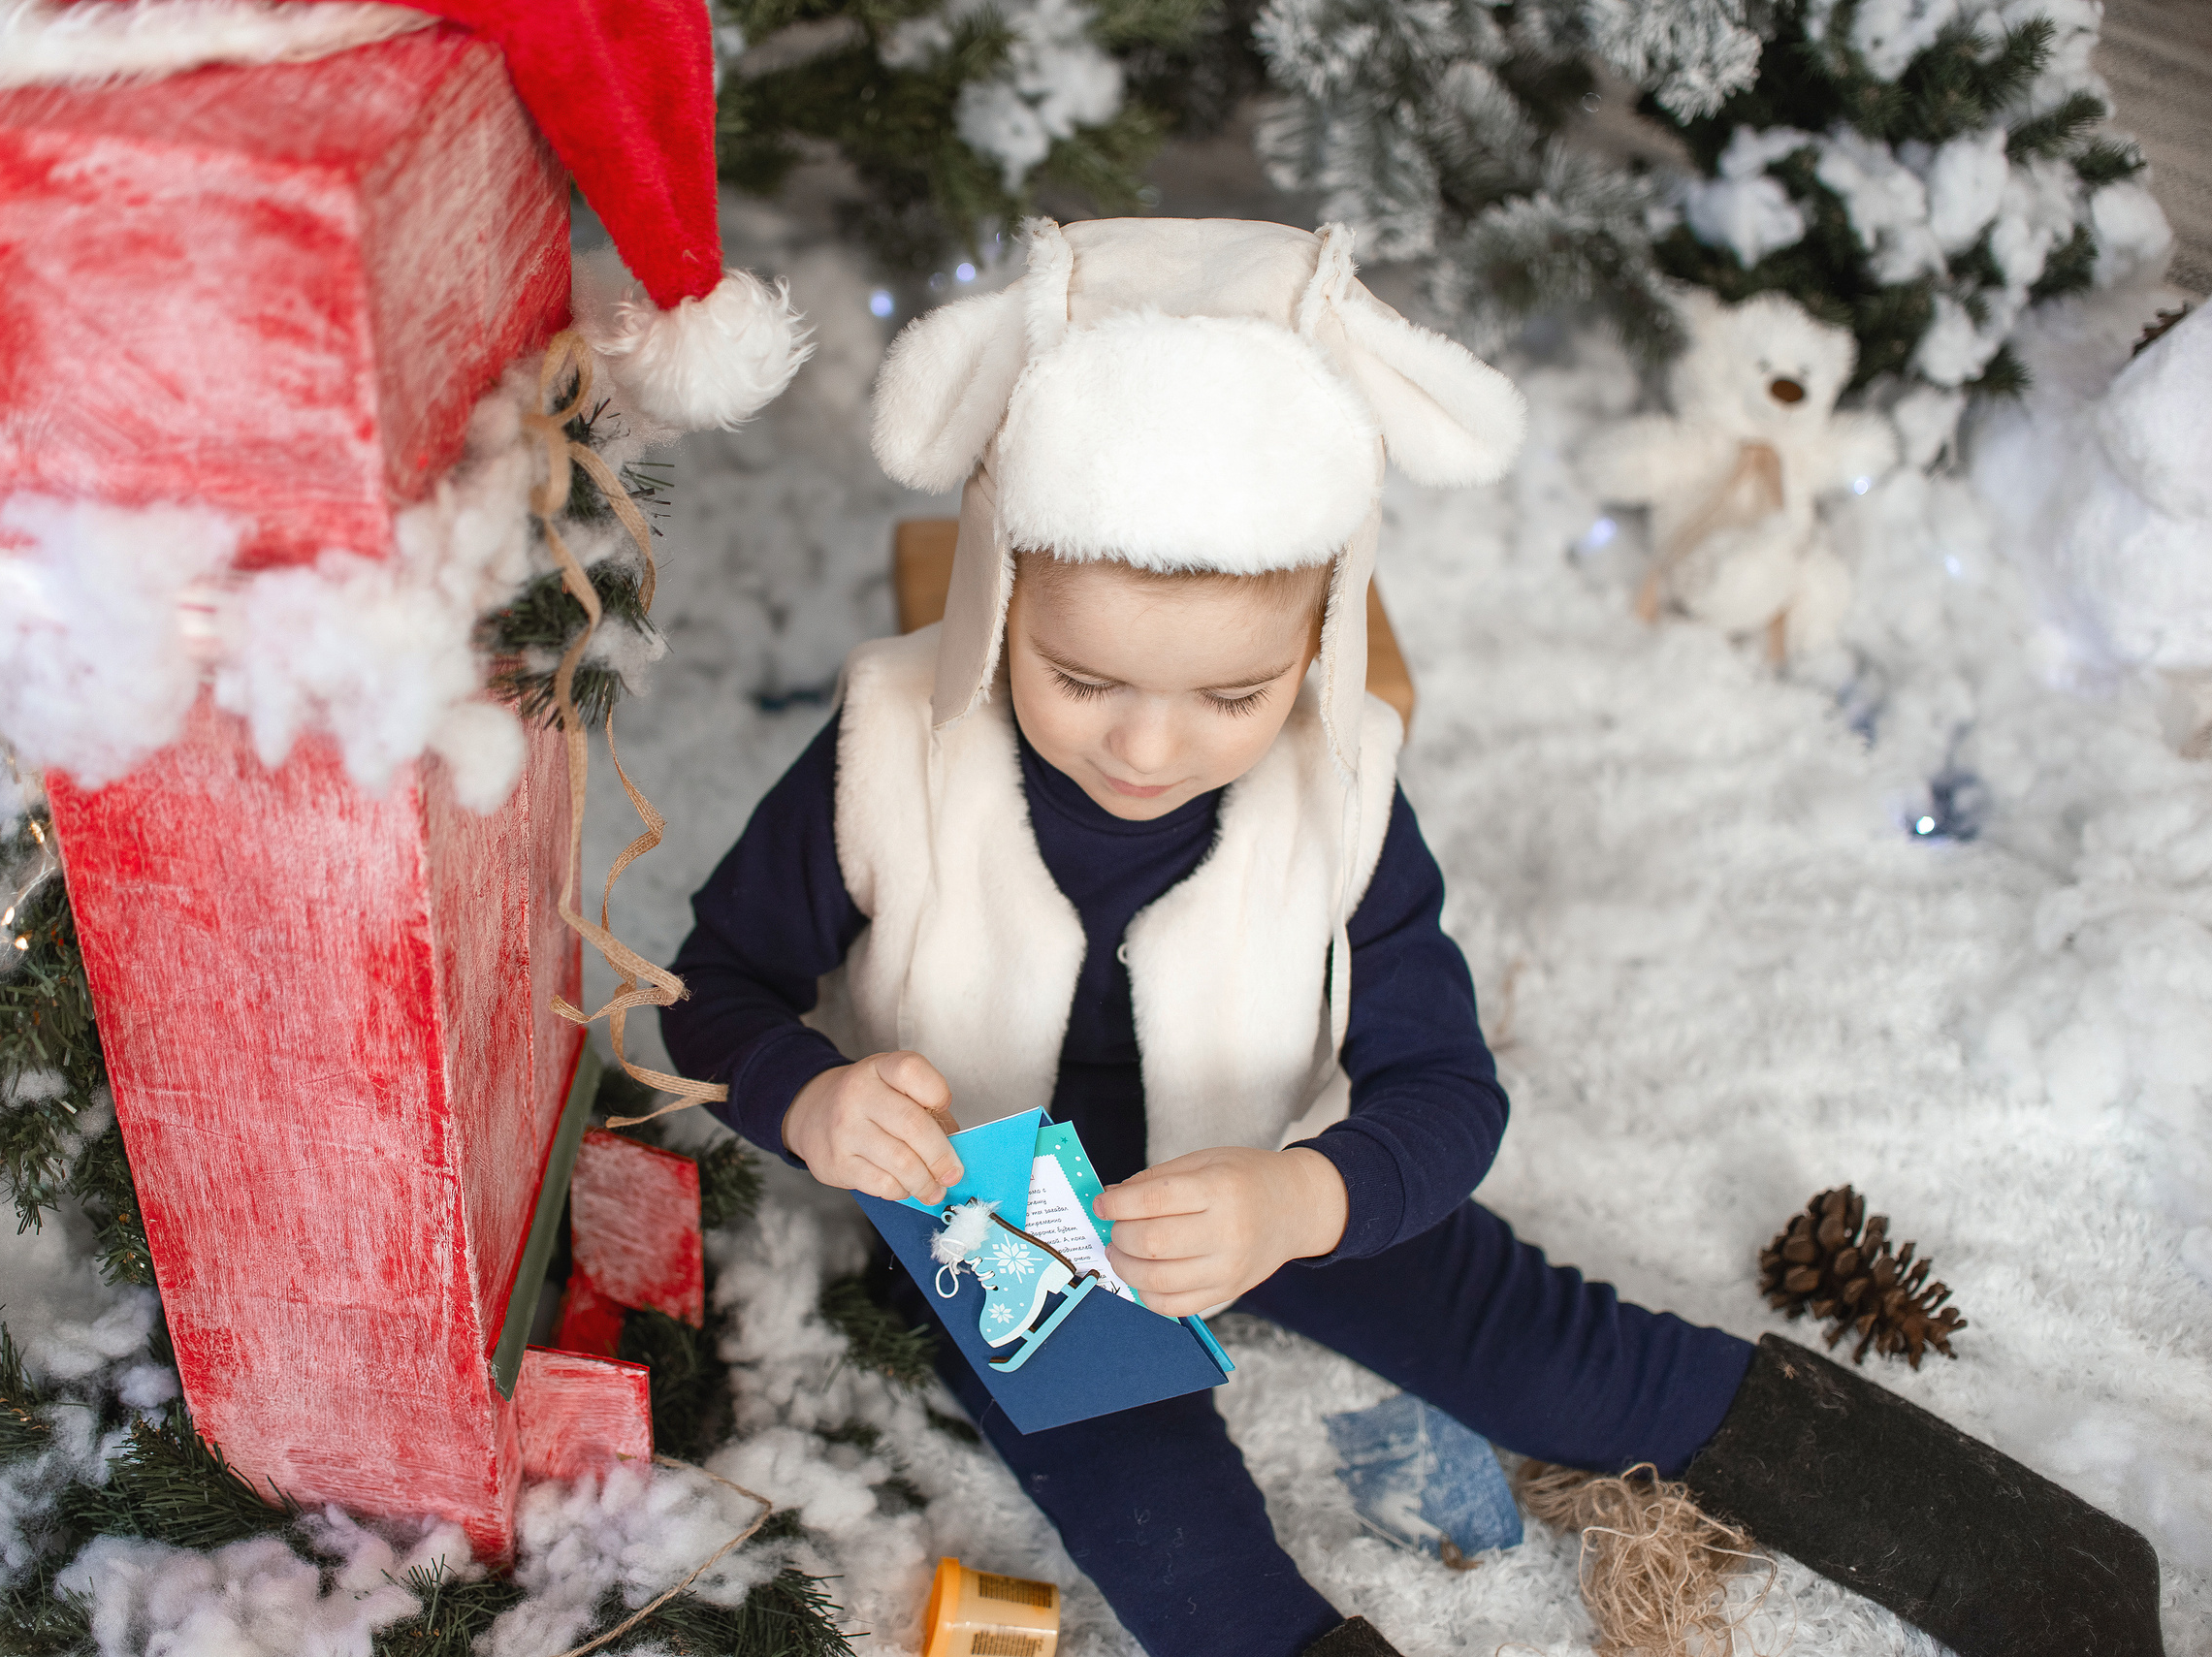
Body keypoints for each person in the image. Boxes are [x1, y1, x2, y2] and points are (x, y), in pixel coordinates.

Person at [658, 217, 2163, 1657]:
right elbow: (713, 988)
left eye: (1231, 697)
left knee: (1553, 1350)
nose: (1147, 746)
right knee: (1165, 1527)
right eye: (1082, 678)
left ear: (1318, 640)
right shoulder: (892, 753)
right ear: (998, 598)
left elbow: (1446, 1095)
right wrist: (812, 1095)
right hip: (1001, 1218)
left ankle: (2037, 1564)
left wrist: (1300, 1198)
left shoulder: (1340, 797)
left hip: (1274, 1156)